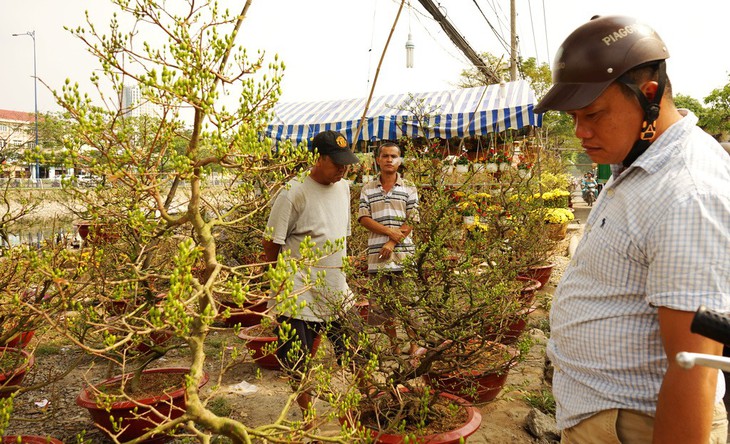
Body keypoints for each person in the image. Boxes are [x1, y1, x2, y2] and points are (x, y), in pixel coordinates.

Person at [534, 15, 730, 443]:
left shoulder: (686, 192)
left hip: (638, 427)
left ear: (650, 95)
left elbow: (692, 365)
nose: (581, 132)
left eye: (594, 114)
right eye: (573, 118)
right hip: (609, 420)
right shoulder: (639, 163)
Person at [262, 130, 360, 416]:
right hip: (298, 292)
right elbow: (271, 241)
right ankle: (309, 417)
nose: (343, 168)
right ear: (319, 158)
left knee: (358, 351)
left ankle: (364, 405)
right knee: (299, 361)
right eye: (337, 162)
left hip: (336, 288)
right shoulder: (293, 192)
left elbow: (341, 233)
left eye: (346, 163)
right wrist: (279, 280)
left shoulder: (343, 188)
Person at [357, 142, 419, 354]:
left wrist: (393, 240)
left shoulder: (409, 187)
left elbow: (412, 218)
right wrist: (388, 232)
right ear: (377, 160)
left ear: (400, 160)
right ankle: (393, 345)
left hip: (403, 255)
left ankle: (414, 344)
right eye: (385, 156)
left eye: (393, 156)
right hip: (377, 256)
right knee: (383, 305)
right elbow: (363, 218)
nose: (389, 160)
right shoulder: (367, 189)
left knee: (408, 302)